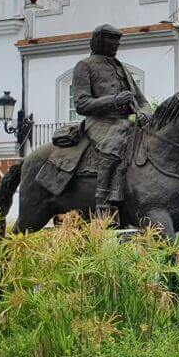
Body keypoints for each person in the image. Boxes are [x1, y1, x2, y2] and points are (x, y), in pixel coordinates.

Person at [72, 24, 153, 218]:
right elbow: (81, 104)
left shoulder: (122, 68)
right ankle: (103, 201)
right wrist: (114, 100)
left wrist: (145, 113)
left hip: (126, 122)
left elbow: (142, 101)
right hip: (100, 122)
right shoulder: (84, 66)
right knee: (114, 143)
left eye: (118, 40)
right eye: (111, 39)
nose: (116, 44)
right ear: (99, 40)